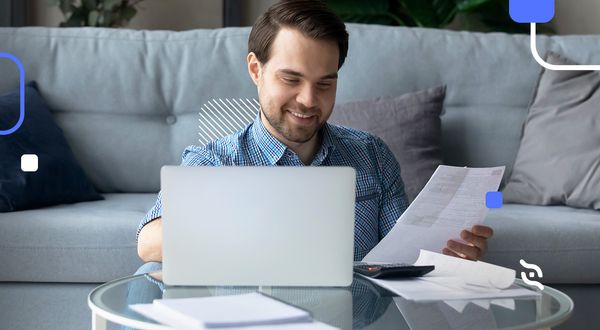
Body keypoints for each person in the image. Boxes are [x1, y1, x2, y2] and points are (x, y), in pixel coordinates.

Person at [136, 0, 493, 265]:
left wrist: (449, 253)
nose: (308, 100)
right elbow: (149, 242)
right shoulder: (215, 161)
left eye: (325, 83)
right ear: (255, 70)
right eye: (291, 79)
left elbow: (399, 257)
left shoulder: (371, 155)